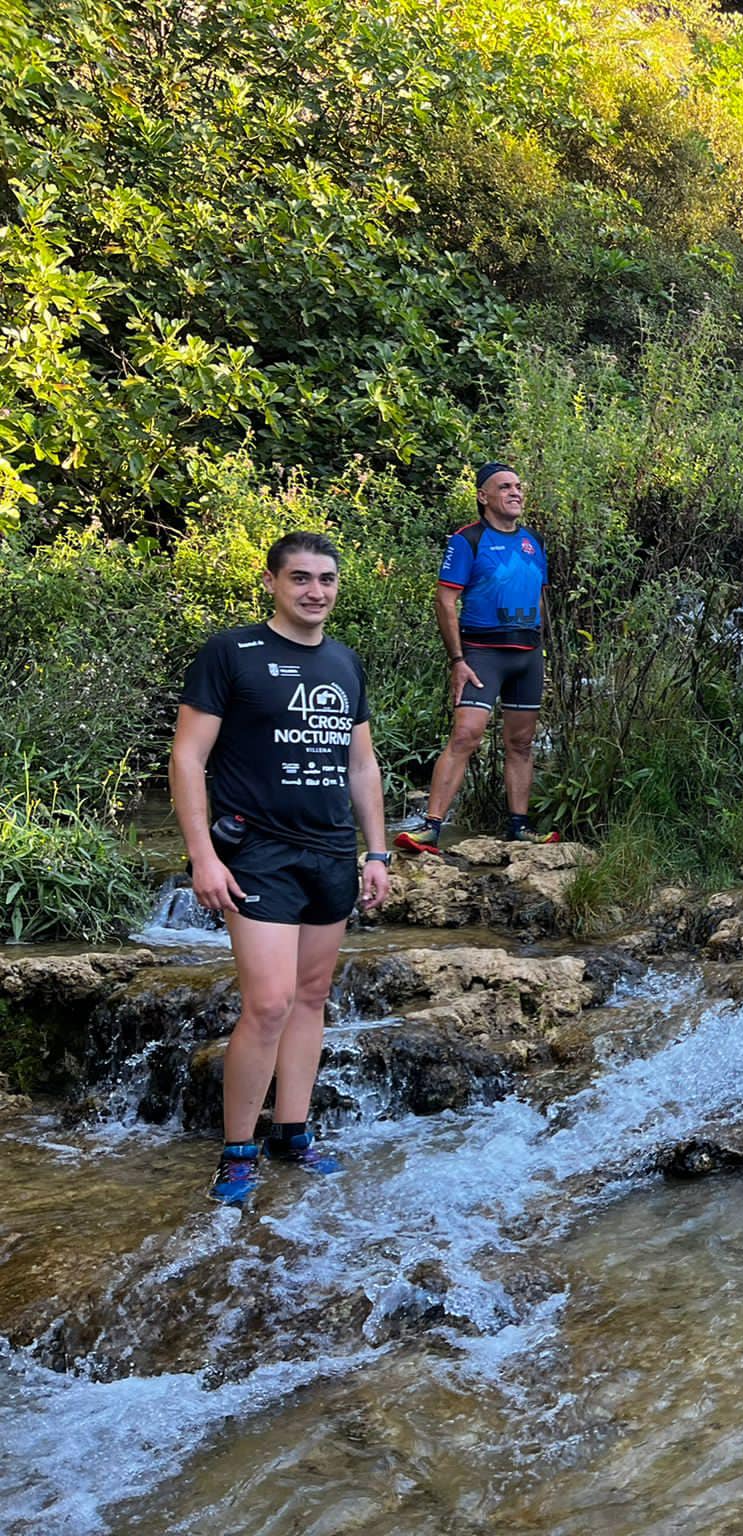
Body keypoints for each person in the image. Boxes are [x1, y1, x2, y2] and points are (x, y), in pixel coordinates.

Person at [169, 532, 391, 1204]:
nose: (315, 591)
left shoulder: (346, 663)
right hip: (256, 851)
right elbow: (186, 758)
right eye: (300, 578)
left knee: (311, 997)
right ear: (271, 582)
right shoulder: (230, 653)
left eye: (326, 579)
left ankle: (294, 1132)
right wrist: (202, 856)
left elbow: (362, 765)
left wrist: (376, 852)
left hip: (328, 850)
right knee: (266, 1004)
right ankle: (239, 1151)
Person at [397, 462, 558, 855]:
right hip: (482, 654)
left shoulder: (534, 540)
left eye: (518, 486)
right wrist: (457, 659)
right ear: (484, 497)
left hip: (527, 656)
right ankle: (430, 828)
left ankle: (518, 828)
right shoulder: (467, 540)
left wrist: (540, 646)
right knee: (466, 735)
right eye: (505, 487)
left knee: (521, 743)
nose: (515, 492)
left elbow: (540, 596)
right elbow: (445, 599)